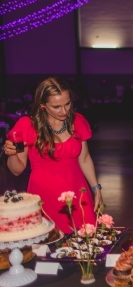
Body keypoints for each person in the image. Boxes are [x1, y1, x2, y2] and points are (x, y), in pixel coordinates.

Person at [4, 77, 104, 234]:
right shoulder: (28, 125)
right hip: (44, 195)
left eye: (68, 104)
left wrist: (96, 189)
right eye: (56, 107)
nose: (64, 111)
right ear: (42, 105)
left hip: (77, 192)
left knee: (85, 246)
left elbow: (84, 159)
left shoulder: (78, 121)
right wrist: (12, 154)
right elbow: (17, 170)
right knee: (48, 246)